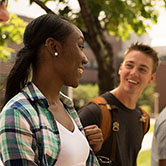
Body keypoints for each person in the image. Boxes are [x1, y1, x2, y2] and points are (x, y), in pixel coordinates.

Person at [0, 13, 102, 165]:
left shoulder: (67, 106)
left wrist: (89, 148)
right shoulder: (18, 112)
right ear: (54, 47)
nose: (85, 58)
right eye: (80, 46)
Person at [79, 42, 160, 166]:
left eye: (142, 69)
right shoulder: (94, 111)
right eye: (129, 65)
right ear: (120, 68)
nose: (133, 73)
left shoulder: (143, 119)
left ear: (151, 78)